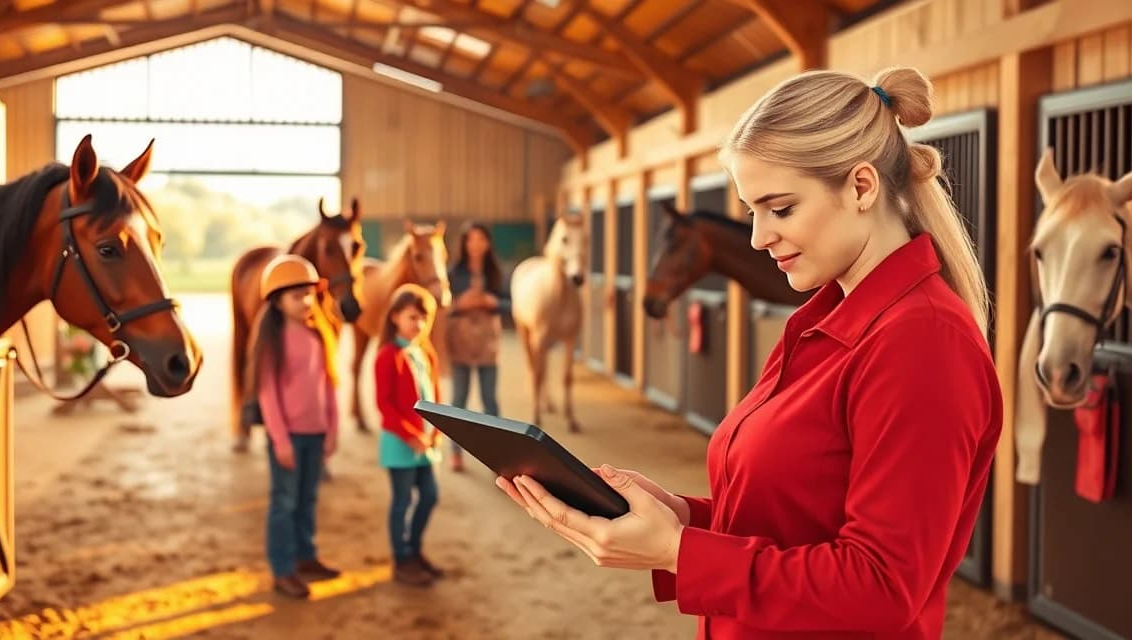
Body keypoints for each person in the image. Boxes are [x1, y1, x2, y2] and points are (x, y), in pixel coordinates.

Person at [496, 66, 1004, 639]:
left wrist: (679, 553)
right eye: (752, 212)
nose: (760, 237)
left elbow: (881, 587)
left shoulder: (922, 342)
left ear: (862, 187)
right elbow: (790, 525)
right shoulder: (824, 322)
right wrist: (678, 519)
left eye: (781, 208)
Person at [245, 254, 343, 600]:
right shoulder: (274, 341)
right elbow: (268, 394)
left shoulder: (320, 334)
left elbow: (330, 385)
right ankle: (283, 569)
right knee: (284, 502)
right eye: (295, 295)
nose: (305, 301)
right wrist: (280, 440)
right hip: (288, 438)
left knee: (307, 498)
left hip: (317, 435)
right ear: (277, 301)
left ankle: (306, 556)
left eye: (308, 294)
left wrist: (333, 429)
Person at [374, 283, 446, 587]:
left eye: (424, 318)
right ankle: (401, 559)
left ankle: (414, 550)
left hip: (425, 444)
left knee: (429, 496)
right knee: (402, 501)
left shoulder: (425, 352)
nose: (419, 324)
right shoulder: (387, 356)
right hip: (400, 444)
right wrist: (410, 434)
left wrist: (436, 432)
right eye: (412, 317)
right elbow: (385, 404)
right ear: (395, 318)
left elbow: (435, 396)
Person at [444, 222, 511, 472]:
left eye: (480, 239)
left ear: (488, 242)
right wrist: (460, 303)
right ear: (464, 243)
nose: (475, 244)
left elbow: (510, 305)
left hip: (487, 342)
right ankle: (455, 452)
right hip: (460, 339)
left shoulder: (496, 272)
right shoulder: (453, 272)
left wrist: (492, 302)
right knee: (458, 399)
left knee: (490, 400)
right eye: (470, 240)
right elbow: (445, 305)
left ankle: (497, 457)